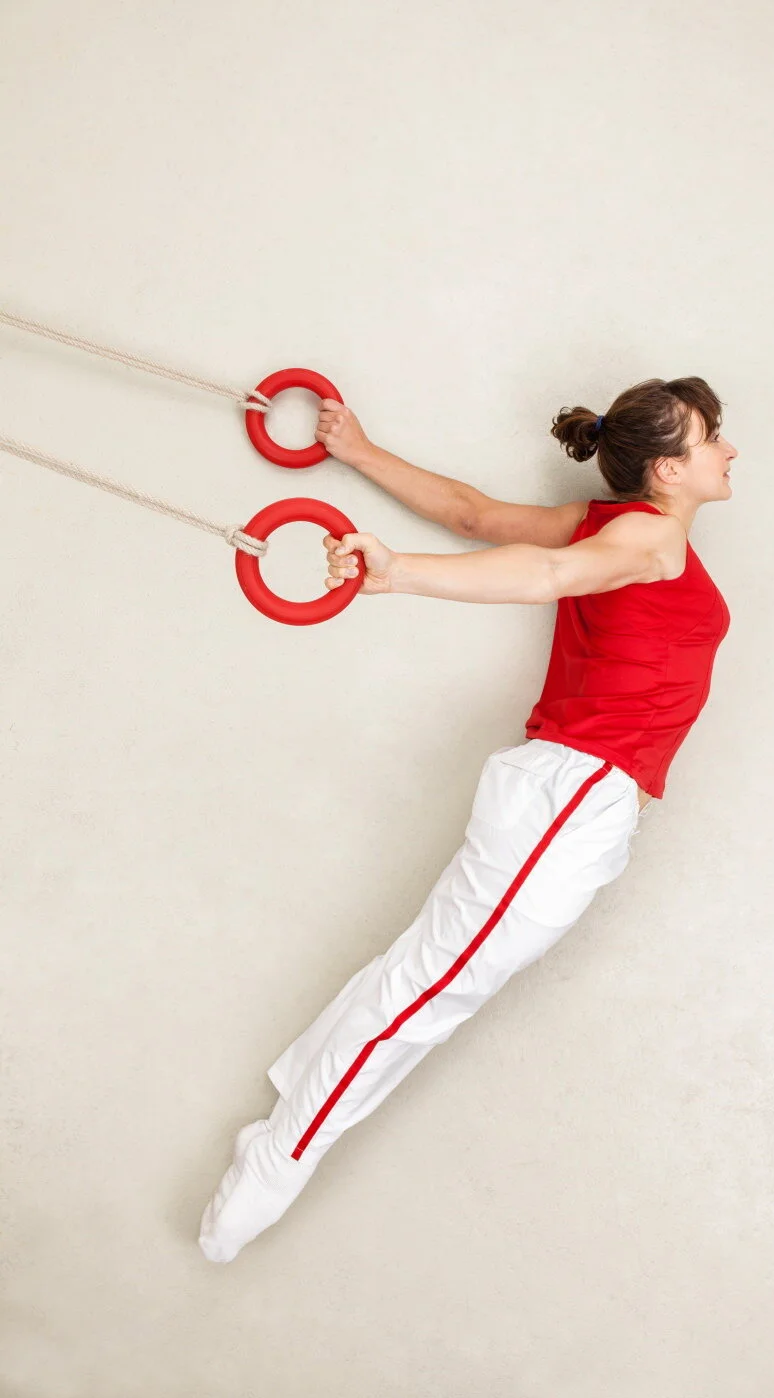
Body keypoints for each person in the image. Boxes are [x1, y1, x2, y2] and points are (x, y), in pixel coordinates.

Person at [198, 376, 737, 1262]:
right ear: (669, 469)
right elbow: (545, 574)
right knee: (431, 987)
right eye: (712, 437)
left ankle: (296, 1105)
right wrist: (398, 573)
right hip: (571, 799)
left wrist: (357, 450)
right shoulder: (645, 540)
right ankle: (279, 1154)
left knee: (427, 974)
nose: (728, 450)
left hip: (570, 802)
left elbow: (473, 515)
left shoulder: (610, 525)